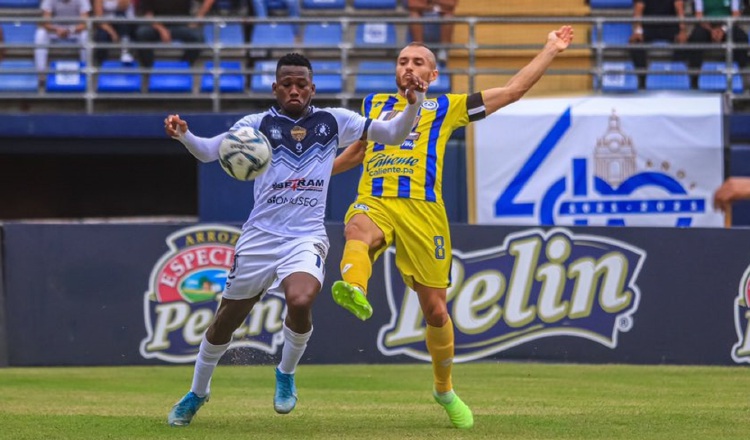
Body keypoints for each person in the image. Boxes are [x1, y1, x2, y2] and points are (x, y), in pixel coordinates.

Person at [164, 52, 426, 427]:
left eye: (301, 83)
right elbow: (209, 152)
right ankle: (197, 393)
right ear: (275, 88)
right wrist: (184, 134)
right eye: (286, 83)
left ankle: (285, 373)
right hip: (259, 237)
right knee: (226, 321)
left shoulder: (335, 121)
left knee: (301, 299)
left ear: (312, 88)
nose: (294, 90)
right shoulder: (254, 126)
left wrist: (412, 106)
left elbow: (394, 133)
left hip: (305, 235)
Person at [330, 26, 574, 429]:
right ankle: (354, 287)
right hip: (375, 199)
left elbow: (512, 91)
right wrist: (313, 176)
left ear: (434, 74)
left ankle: (443, 388)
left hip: (424, 213)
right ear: (395, 70)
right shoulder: (373, 103)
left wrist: (550, 49)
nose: (409, 67)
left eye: (418, 62)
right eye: (403, 61)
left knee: (436, 309)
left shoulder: (447, 106)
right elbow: (358, 151)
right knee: (356, 230)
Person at [134, 0, 215, 68]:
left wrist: (198, 18)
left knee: (198, 38)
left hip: (181, 24)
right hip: (157, 25)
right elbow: (148, 14)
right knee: (142, 33)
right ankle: (150, 68)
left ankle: (183, 65)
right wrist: (161, 29)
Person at [685, 0, 748, 87]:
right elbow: (699, 15)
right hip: (707, 26)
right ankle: (694, 78)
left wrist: (723, 29)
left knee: (741, 37)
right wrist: (711, 30)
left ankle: (741, 75)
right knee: (696, 37)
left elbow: (735, 14)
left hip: (727, 25)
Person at [629, 0, 687, 89]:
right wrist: (638, 31)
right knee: (636, 44)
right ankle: (642, 81)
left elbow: (679, 7)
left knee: (683, 42)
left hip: (670, 27)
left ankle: (676, 77)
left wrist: (682, 30)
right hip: (649, 27)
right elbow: (638, 8)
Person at [34, 0, 91, 73]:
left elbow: (84, 24)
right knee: (40, 34)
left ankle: (85, 70)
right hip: (55, 30)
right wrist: (56, 30)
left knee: (85, 35)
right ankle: (41, 72)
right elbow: (46, 23)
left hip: (75, 30)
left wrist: (70, 30)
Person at [93, 0, 135, 65]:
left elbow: (123, 6)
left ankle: (125, 51)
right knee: (102, 36)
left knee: (121, 17)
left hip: (124, 23)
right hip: (106, 25)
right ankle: (100, 64)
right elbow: (99, 18)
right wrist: (112, 33)